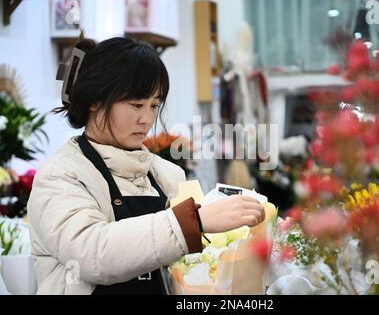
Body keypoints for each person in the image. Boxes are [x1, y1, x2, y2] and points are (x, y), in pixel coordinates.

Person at [27, 36, 265, 295]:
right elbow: (92, 254)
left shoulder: (167, 174)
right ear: (95, 100)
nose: (147, 119)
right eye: (136, 105)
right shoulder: (61, 176)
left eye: (154, 105)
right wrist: (191, 223)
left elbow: (192, 267)